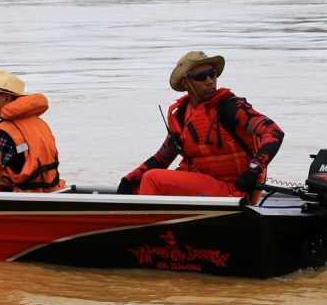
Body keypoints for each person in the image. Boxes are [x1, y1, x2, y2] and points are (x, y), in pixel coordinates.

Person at [118, 51, 284, 199]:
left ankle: (149, 230)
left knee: (152, 179)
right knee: (137, 184)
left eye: (212, 74)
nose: (210, 81)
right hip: (205, 187)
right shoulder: (182, 115)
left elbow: (274, 132)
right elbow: (162, 158)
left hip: (237, 191)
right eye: (201, 77)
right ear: (185, 83)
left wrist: (252, 171)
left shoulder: (231, 107)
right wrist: (128, 180)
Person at [0, 70, 65, 192]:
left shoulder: (4, 131)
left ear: (6, 97)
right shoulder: (39, 123)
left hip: (20, 197)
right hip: (49, 190)